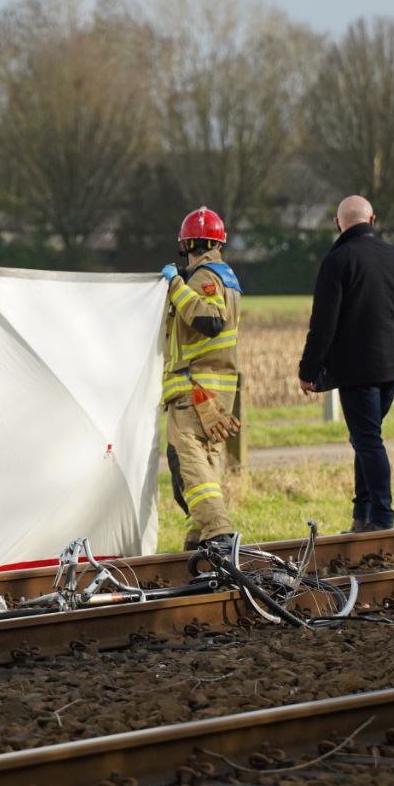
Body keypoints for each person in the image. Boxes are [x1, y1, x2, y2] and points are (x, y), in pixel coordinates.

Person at [298, 196, 394, 532]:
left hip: (360, 367)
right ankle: (362, 516)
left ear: (338, 224)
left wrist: (308, 370)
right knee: (365, 438)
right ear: (373, 219)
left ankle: (381, 517)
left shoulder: (338, 260)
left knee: (367, 440)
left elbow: (323, 323)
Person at [160, 206, 243, 551]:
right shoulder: (226, 277)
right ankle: (199, 542)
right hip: (215, 393)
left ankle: (217, 533)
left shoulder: (202, 278)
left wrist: (175, 284)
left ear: (187, 243)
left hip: (195, 391)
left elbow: (209, 321)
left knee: (189, 463)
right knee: (207, 462)